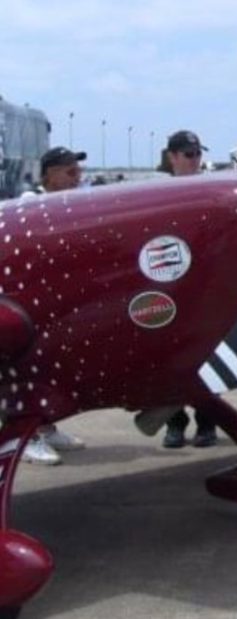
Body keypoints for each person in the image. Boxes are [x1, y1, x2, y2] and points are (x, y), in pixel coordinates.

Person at [18, 147, 89, 465]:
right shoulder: (28, 205)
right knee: (24, 371)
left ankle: (45, 427)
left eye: (79, 172)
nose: (78, 178)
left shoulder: (72, 206)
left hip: (54, 303)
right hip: (28, 304)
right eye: (70, 172)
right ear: (49, 175)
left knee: (48, 369)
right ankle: (23, 437)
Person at [160, 130, 220, 448]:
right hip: (169, 288)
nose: (194, 159)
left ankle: (208, 423)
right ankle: (174, 423)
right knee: (169, 361)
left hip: (203, 289)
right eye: (188, 154)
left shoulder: (210, 190)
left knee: (206, 360)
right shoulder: (157, 194)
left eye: (197, 153)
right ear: (172, 157)